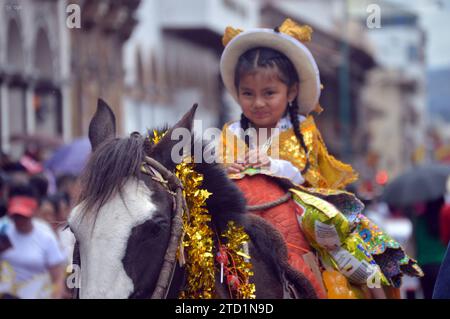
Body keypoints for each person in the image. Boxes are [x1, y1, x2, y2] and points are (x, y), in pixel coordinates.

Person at [217, 18, 422, 299]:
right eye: (248, 94)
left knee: (344, 252)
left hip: (298, 216)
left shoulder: (303, 130)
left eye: (269, 93)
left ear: (290, 93)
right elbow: (220, 173)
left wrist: (272, 166)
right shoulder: (231, 132)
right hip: (244, 220)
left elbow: (307, 175)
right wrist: (229, 170)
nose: (258, 102)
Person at [0, 183, 66, 299]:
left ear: (33, 213)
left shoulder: (46, 237)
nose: (19, 220)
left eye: (23, 216)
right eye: (16, 215)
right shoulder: (3, 231)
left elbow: (57, 278)